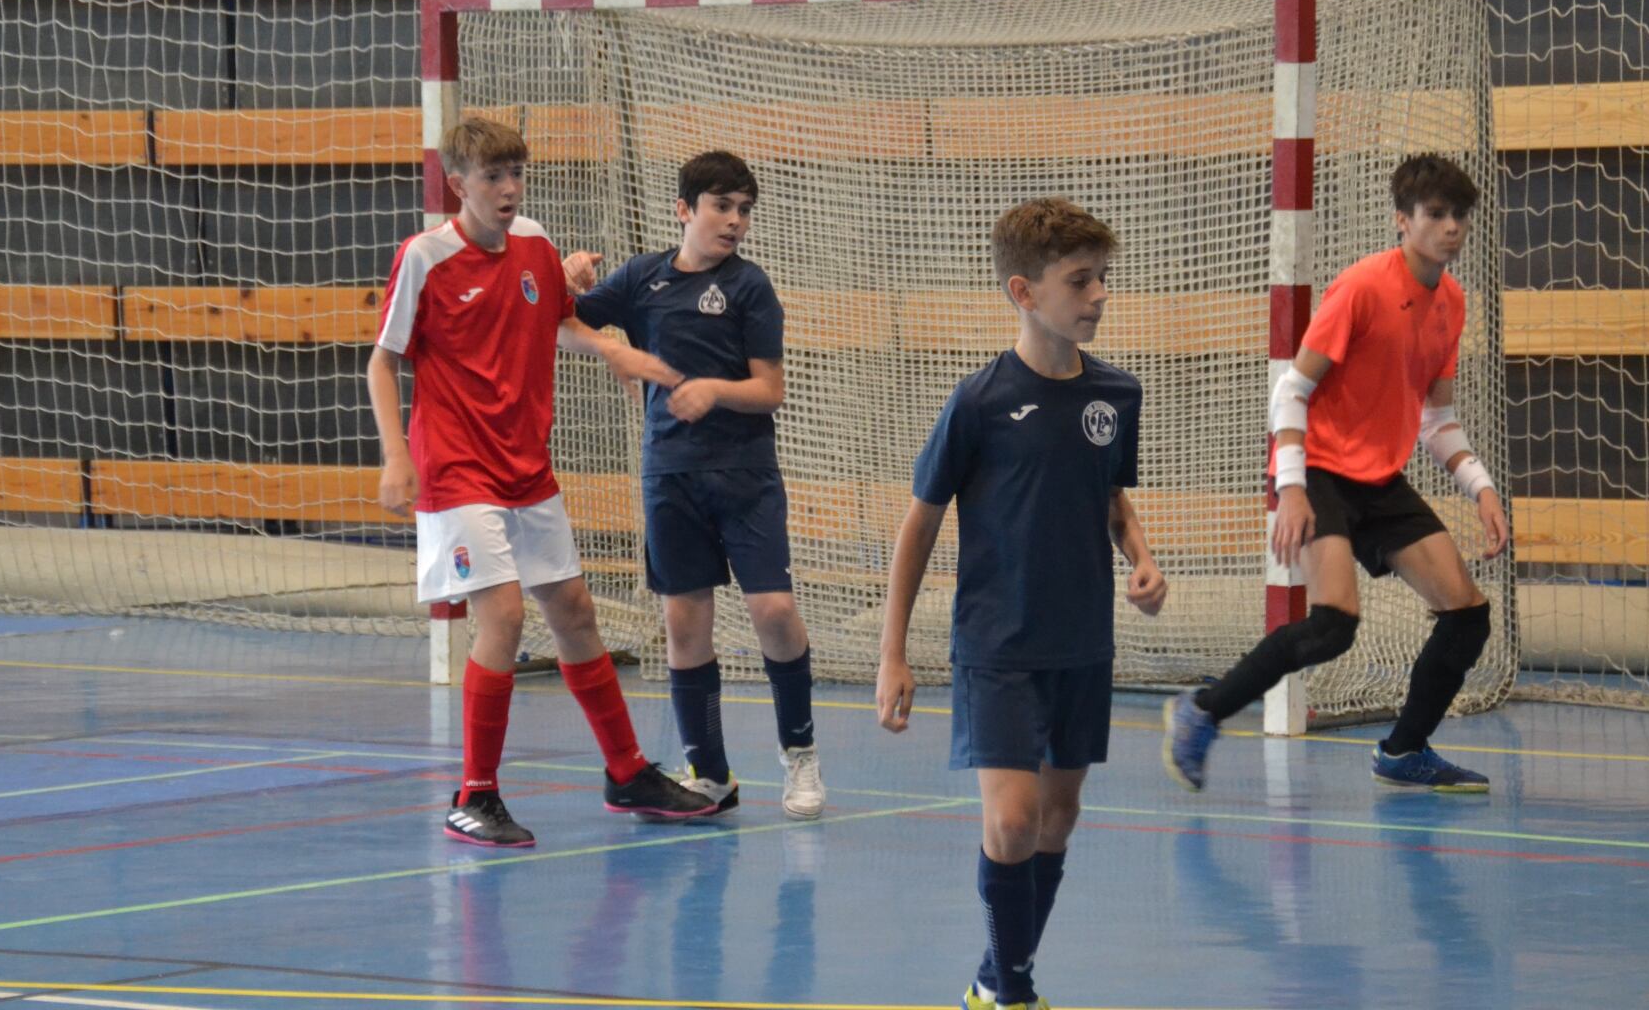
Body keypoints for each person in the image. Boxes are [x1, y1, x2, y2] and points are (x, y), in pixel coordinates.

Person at [368, 116, 717, 848]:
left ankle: (626, 772)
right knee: (503, 618)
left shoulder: (534, 244)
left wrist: (620, 354)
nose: (508, 188)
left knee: (576, 611)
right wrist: (395, 456)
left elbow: (561, 321)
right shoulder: (426, 258)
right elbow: (384, 359)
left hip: (525, 465)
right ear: (458, 184)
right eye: (492, 177)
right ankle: (475, 794)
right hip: (457, 469)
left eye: (516, 174)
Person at [875, 197, 1166, 1010]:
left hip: (1083, 645)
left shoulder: (1117, 394)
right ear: (1023, 291)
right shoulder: (978, 404)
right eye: (1080, 282)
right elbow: (918, 527)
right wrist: (894, 653)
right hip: (997, 646)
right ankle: (1013, 991)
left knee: (1056, 820)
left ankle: (993, 974)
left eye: (1103, 279)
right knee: (1011, 820)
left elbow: (1112, 498)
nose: (1099, 296)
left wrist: (1141, 559)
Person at [1163, 153, 1509, 794]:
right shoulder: (1361, 288)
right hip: (1318, 470)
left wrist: (1481, 487)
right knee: (1333, 627)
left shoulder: (1452, 303)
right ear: (1402, 220)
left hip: (1378, 479)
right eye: (1436, 214)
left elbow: (1437, 419)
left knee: (1467, 614)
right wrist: (1291, 488)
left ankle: (1404, 752)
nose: (1452, 227)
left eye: (1461, 215)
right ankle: (1201, 712)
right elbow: (1291, 391)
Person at [564, 151, 825, 820]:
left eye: (744, 210)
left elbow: (770, 389)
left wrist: (712, 389)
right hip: (669, 477)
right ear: (684, 209)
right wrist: (568, 278)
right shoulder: (642, 278)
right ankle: (709, 775)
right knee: (685, 623)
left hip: (745, 478)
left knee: (773, 611)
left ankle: (800, 756)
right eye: (721, 206)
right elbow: (563, 321)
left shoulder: (749, 288)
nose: (735, 221)